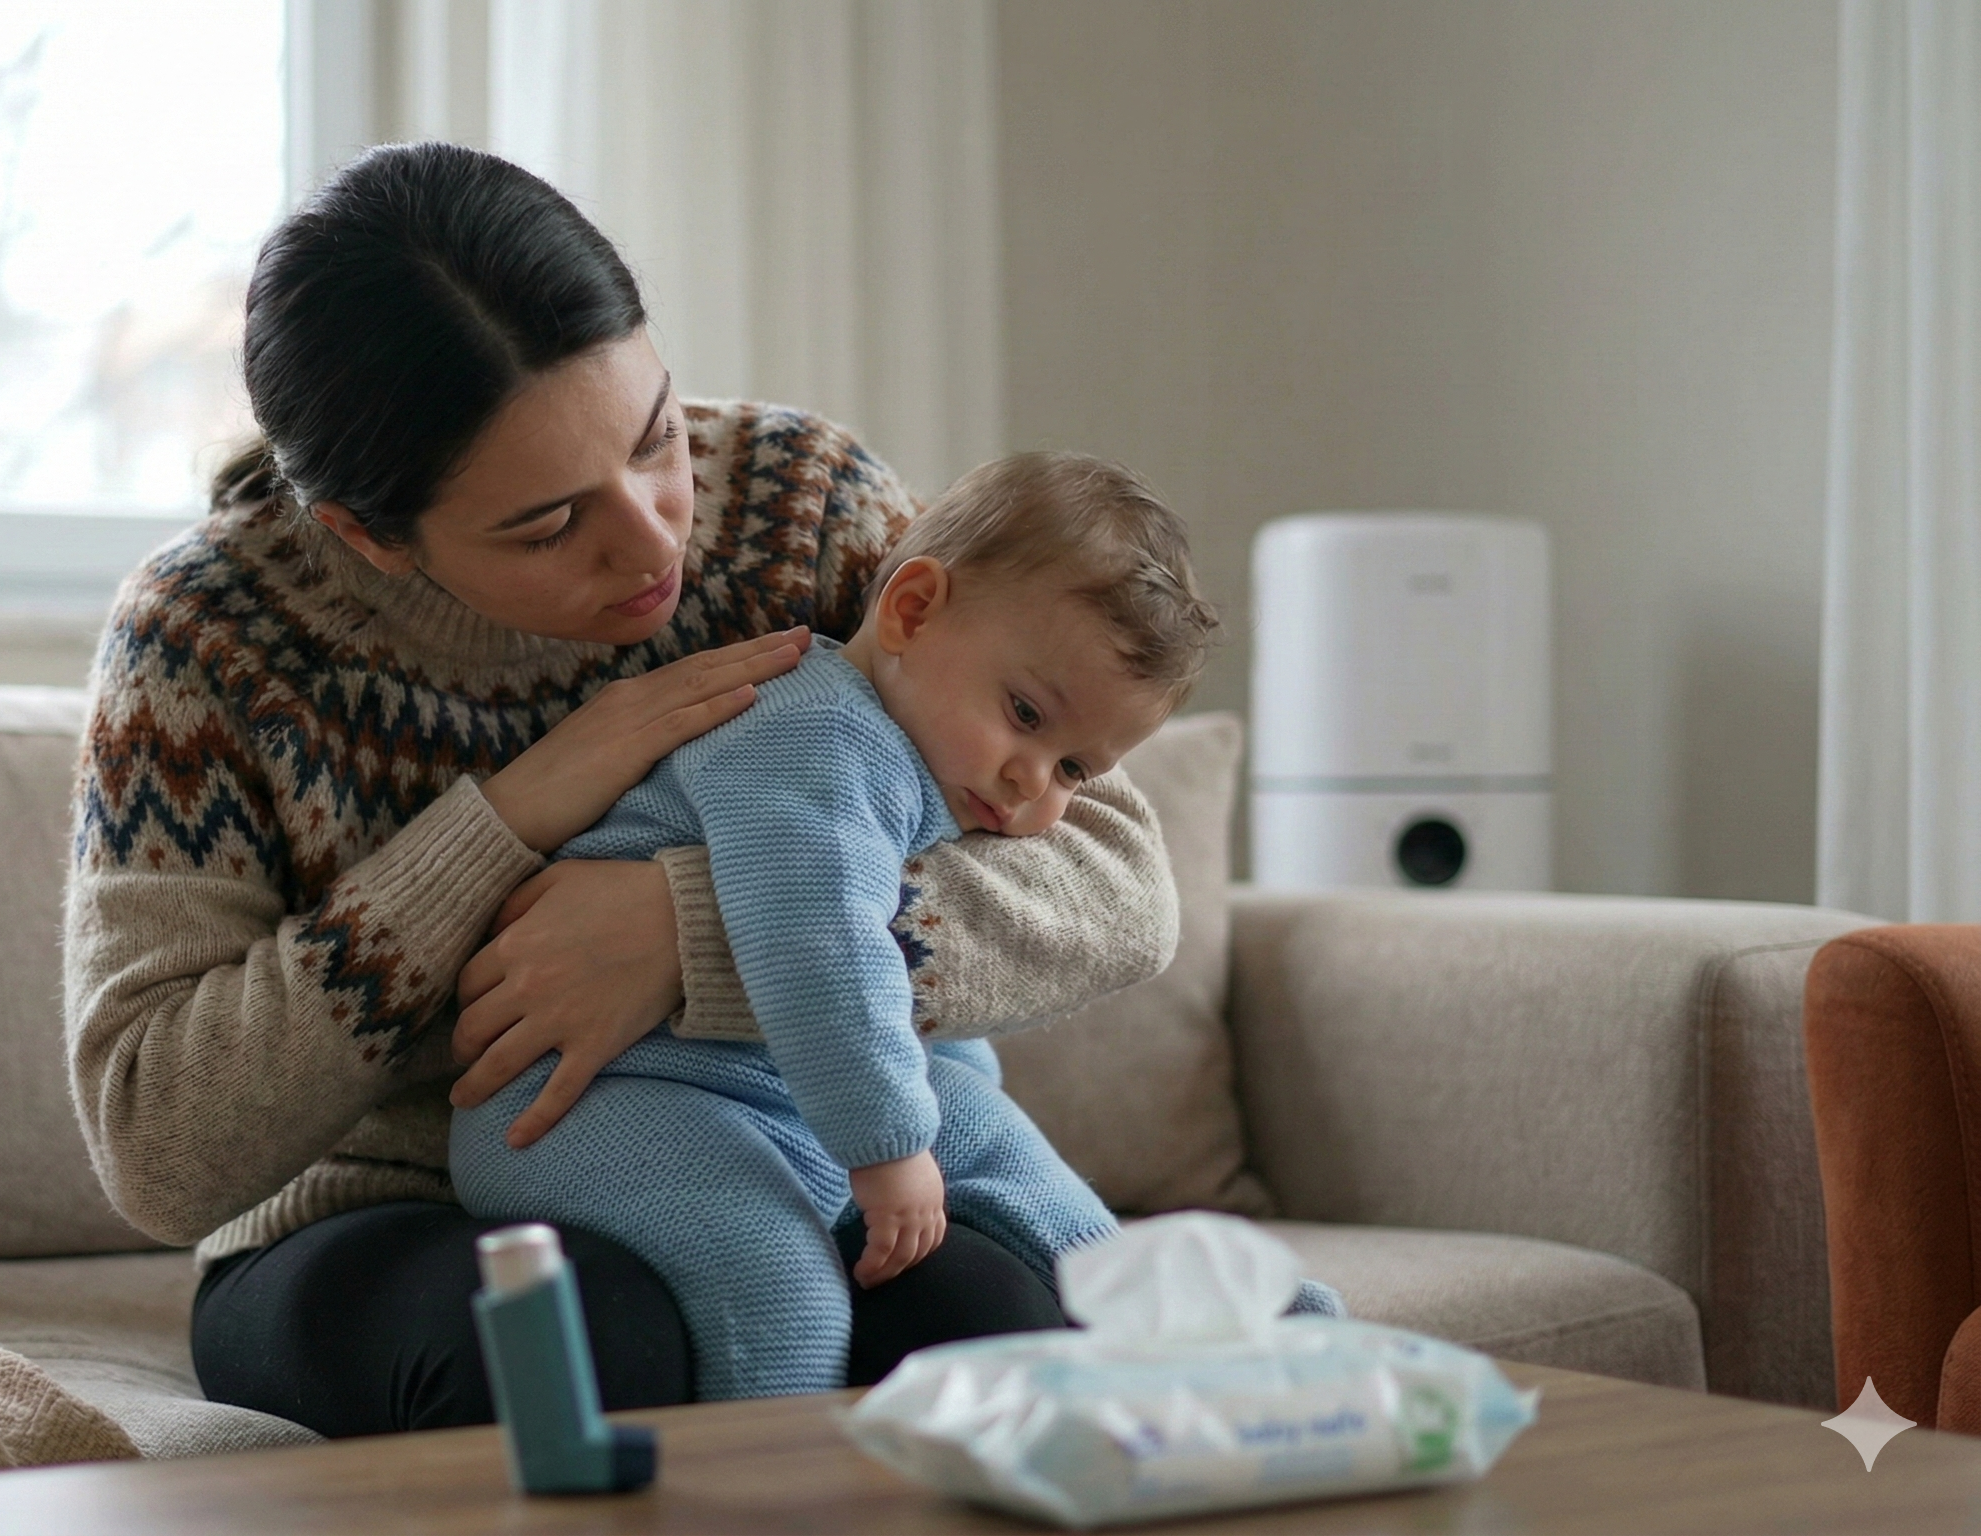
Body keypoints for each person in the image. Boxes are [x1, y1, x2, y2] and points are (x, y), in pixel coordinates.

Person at [65, 142, 1183, 1439]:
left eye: (656, 438)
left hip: (771, 1140)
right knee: (574, 1351)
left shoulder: (801, 504)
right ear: (368, 533)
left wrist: (693, 935)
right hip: (375, 1215)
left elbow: (1115, 882)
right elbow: (154, 1143)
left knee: (987, 1328)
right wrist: (509, 821)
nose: (656, 536)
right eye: (549, 524)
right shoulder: (205, 638)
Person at [450, 453, 1342, 1400]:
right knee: (781, 1291)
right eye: (1025, 715)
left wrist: (936, 1108)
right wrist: (890, 1143)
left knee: (1009, 1154)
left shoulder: (933, 755)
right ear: (912, 612)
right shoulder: (816, 733)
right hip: (595, 1100)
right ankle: (776, 1475)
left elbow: (958, 984)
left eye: (1075, 769)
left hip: (760, 1087)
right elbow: (823, 951)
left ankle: (1215, 1323)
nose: (1031, 782)